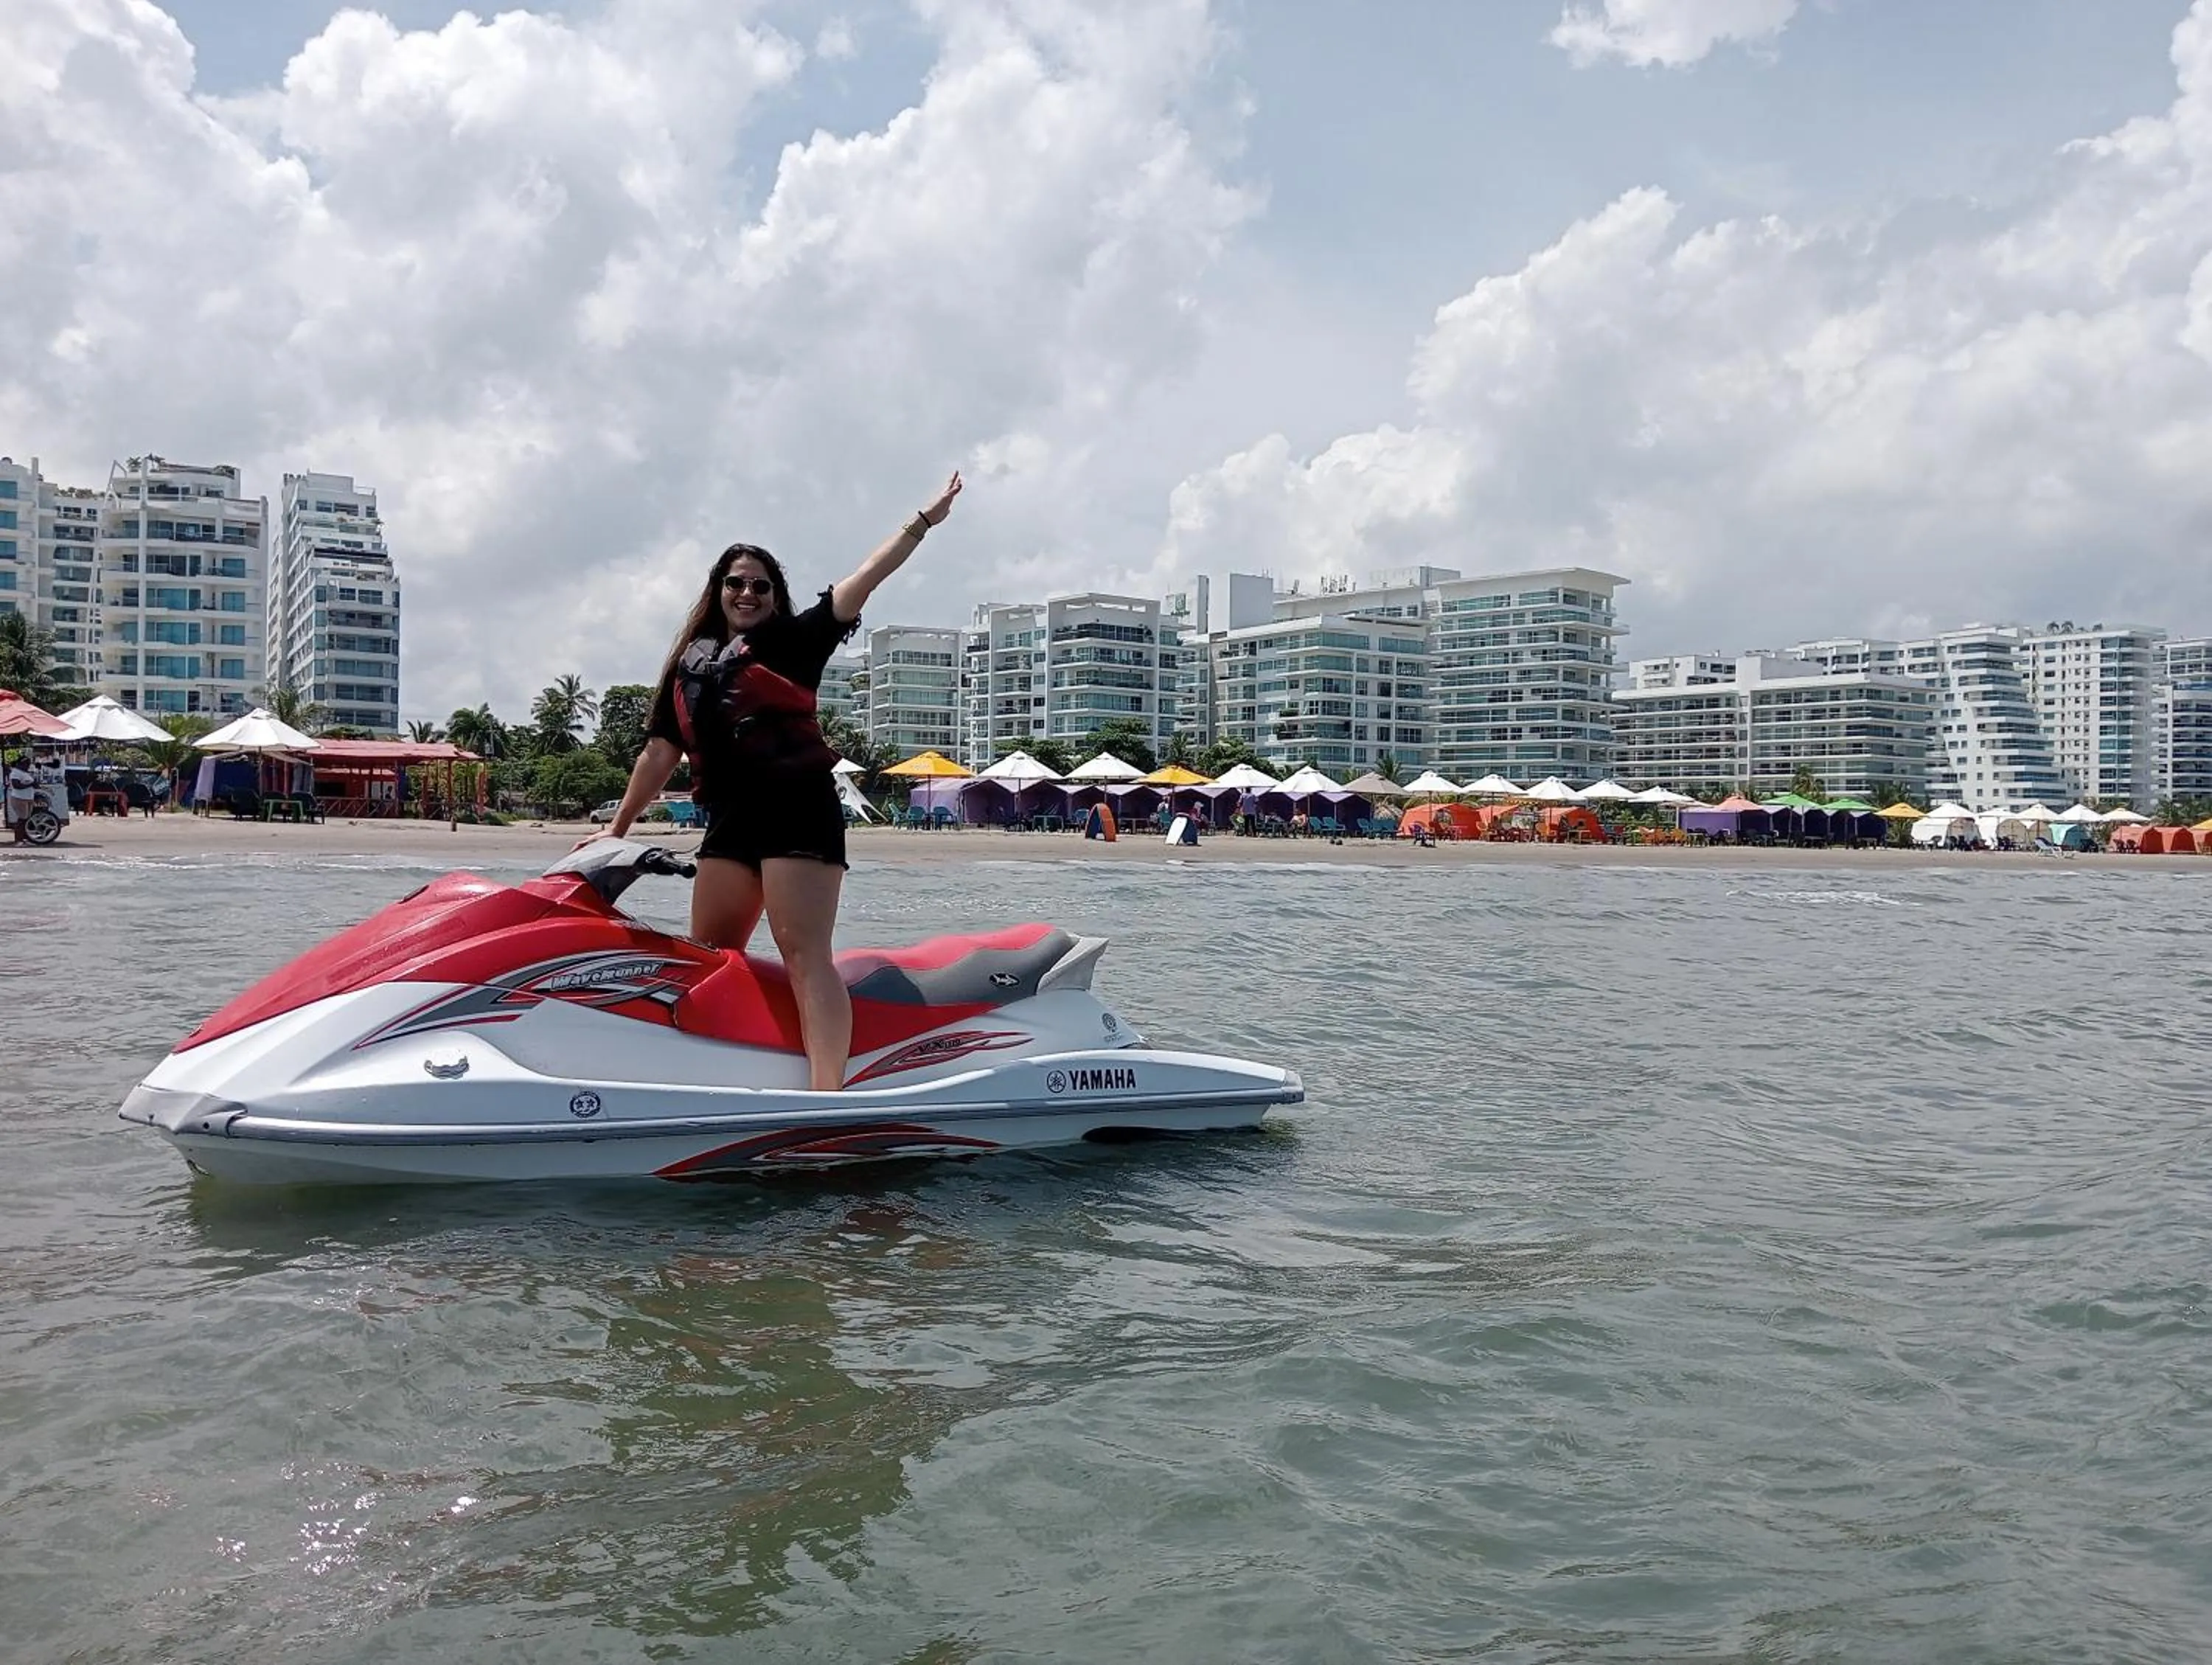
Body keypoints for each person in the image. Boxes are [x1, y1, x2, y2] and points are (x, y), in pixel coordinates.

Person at [583, 472, 963, 1091]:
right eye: (736, 582)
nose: (747, 592)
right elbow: (659, 752)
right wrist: (614, 832)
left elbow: (869, 573)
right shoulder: (691, 667)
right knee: (709, 957)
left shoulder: (794, 640)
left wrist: (924, 520)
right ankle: (716, 1071)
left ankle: (826, 1098)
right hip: (730, 824)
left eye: (760, 585)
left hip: (797, 812)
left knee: (803, 953)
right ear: (718, 590)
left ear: (773, 594)